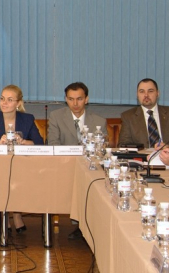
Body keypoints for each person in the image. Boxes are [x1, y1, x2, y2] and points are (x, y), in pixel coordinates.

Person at [0, 84, 44, 233]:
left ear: (18, 103)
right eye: (2, 99)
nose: (4, 103)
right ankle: (5, 214)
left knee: (17, 176)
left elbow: (40, 143)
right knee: (2, 176)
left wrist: (23, 141)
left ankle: (17, 213)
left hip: (22, 164)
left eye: (9, 100)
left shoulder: (27, 119)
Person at [47, 81, 106, 239]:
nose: (75, 103)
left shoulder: (99, 121)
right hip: (64, 166)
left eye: (79, 99)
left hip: (90, 168)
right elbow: (53, 144)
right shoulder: (56, 117)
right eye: (71, 99)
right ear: (66, 99)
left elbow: (101, 150)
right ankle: (80, 224)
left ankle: (88, 224)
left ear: (86, 99)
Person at [119, 78, 169, 148]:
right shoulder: (128, 116)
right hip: (142, 154)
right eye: (142, 91)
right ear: (137, 95)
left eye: (150, 91)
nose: (146, 95)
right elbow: (123, 145)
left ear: (157, 93)